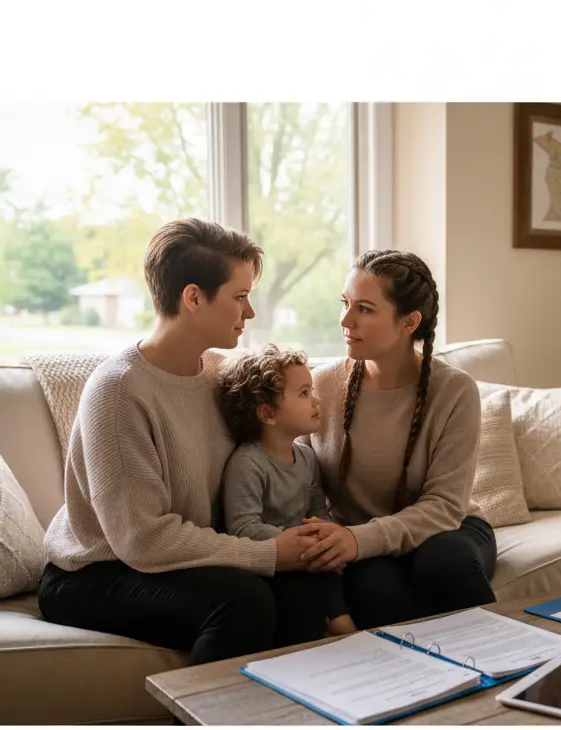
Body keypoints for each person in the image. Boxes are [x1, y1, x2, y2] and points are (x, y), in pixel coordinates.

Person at [37, 219, 326, 666]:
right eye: (240, 297)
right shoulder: (118, 392)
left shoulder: (219, 374)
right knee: (243, 600)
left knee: (303, 589)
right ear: (193, 297)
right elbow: (143, 539)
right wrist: (267, 553)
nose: (249, 313)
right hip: (94, 572)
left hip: (175, 556)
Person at [299, 249, 497, 630]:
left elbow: (444, 507)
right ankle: (418, 685)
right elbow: (301, 486)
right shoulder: (320, 386)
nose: (345, 320)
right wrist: (342, 540)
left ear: (409, 322)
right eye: (345, 303)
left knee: (442, 561)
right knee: (373, 584)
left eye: (365, 309)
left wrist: (360, 539)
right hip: (360, 541)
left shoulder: (454, 390)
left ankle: (511, 670)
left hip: (448, 529)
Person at [216, 343, 356, 638]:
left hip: (305, 554)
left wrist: (323, 537)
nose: (317, 401)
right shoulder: (247, 463)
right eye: (304, 394)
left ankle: (340, 622)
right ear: (268, 413)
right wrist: (295, 542)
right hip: (273, 563)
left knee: (341, 570)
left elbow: (318, 511)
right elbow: (242, 527)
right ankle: (341, 628)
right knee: (305, 587)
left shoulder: (306, 456)